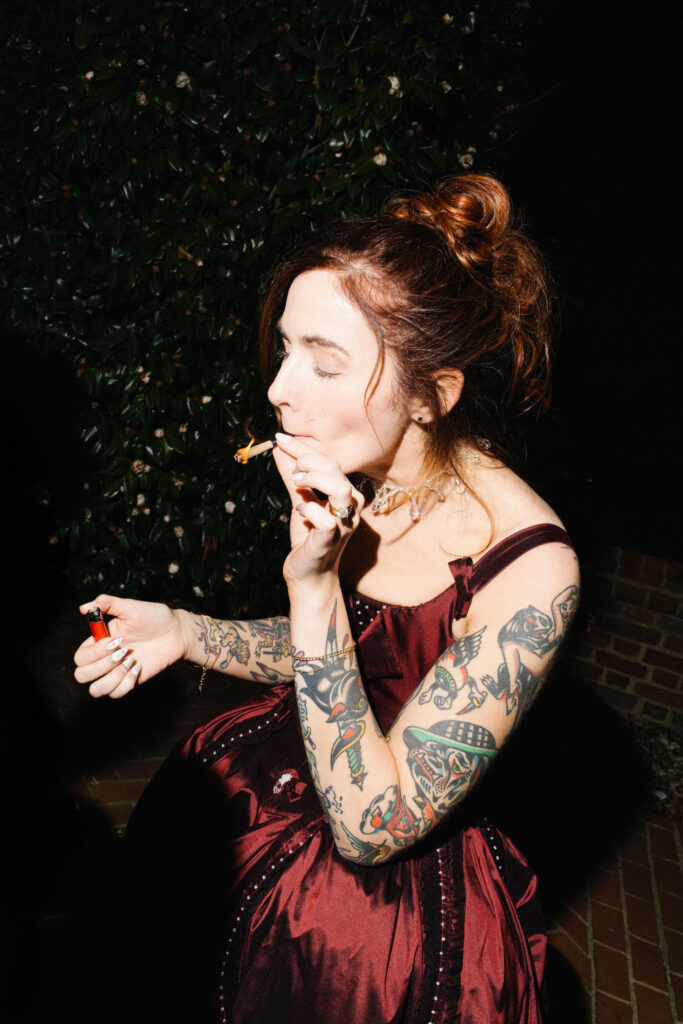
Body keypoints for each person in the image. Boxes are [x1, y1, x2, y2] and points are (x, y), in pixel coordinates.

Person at [74, 173, 579, 1024]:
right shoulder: (371, 469)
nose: (279, 387)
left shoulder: (532, 569)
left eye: (324, 361)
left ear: (432, 394)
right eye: (285, 348)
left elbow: (372, 826)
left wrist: (311, 582)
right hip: (251, 799)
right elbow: (361, 646)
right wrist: (185, 631)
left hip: (363, 929)